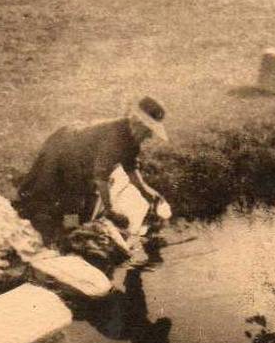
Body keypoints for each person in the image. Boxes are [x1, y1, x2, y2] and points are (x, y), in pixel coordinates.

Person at [16, 96, 168, 238]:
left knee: (86, 205)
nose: (150, 136)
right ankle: (65, 234)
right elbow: (101, 178)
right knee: (71, 202)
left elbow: (131, 168)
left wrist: (147, 192)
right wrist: (110, 210)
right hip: (65, 147)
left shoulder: (133, 139)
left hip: (83, 158)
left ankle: (69, 228)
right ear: (137, 123)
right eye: (148, 131)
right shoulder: (116, 136)